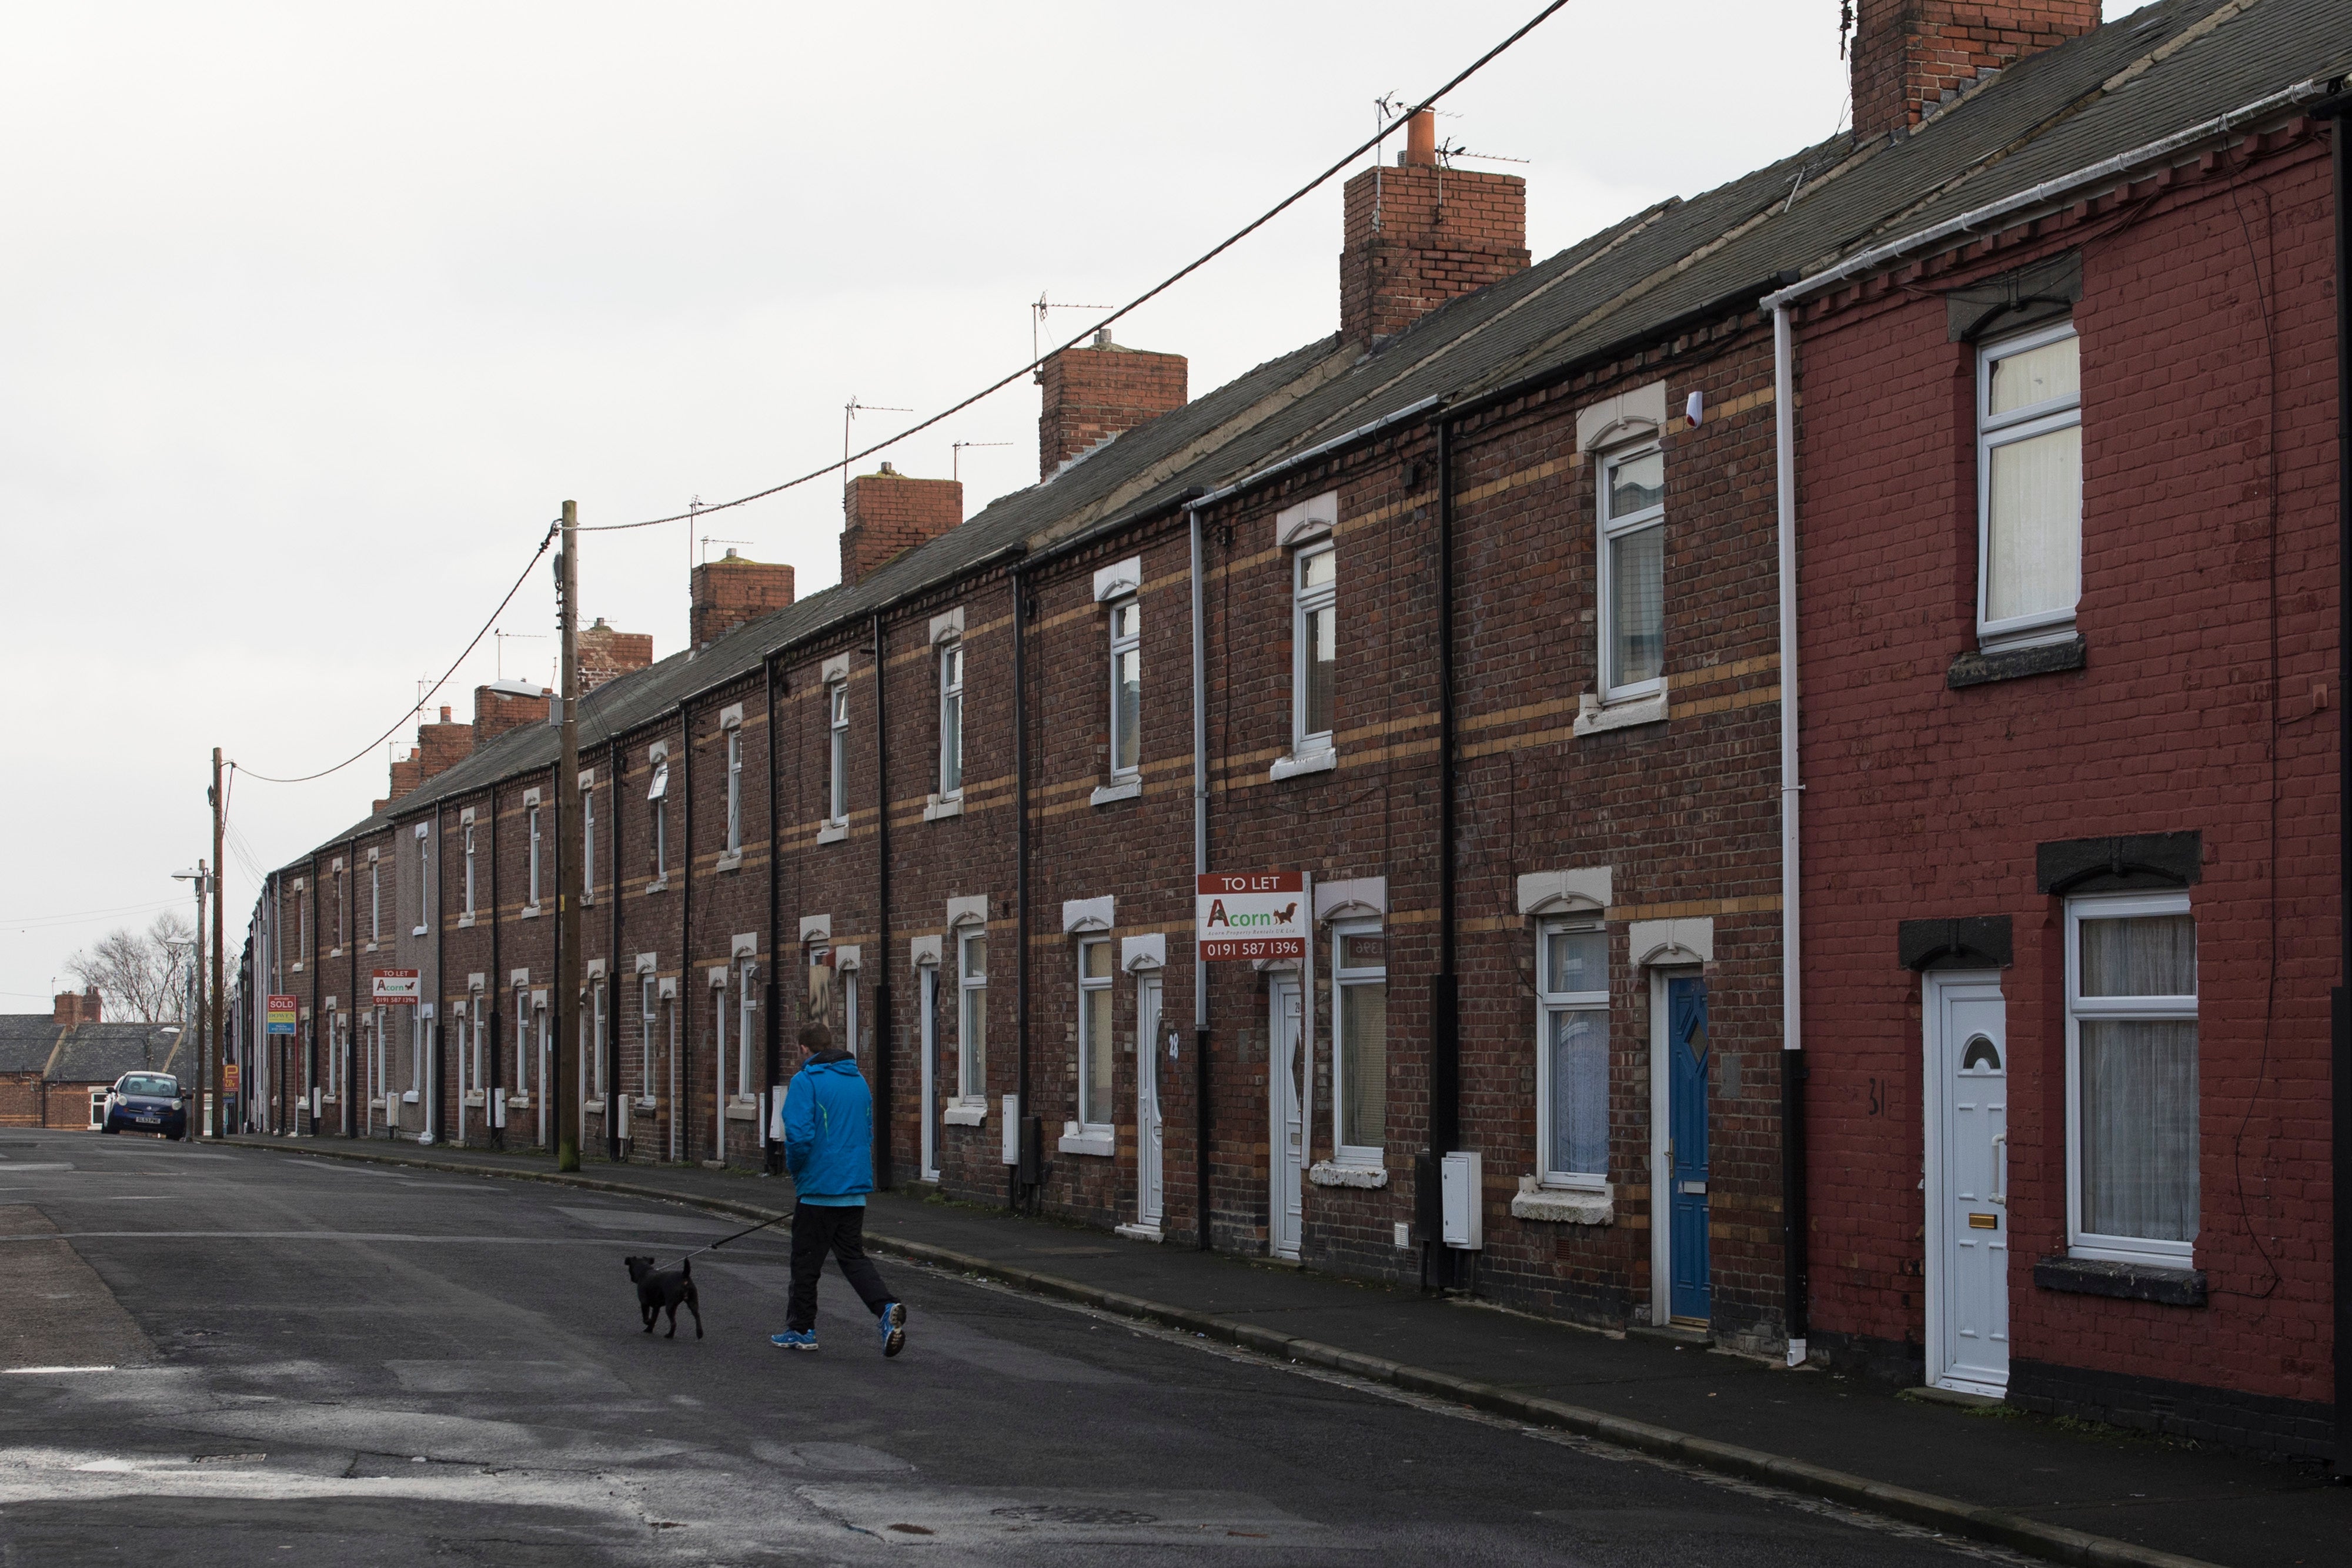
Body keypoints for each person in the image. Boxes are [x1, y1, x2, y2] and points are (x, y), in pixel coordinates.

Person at [769, 1022, 907, 1356]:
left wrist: (798, 1173)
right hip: (853, 1188)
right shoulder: (858, 1082)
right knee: (853, 1258)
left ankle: (801, 1329)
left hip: (818, 1189)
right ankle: (885, 1308)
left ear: (804, 1049)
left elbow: (799, 1137)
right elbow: (867, 1131)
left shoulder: (805, 1081)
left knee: (805, 1262)